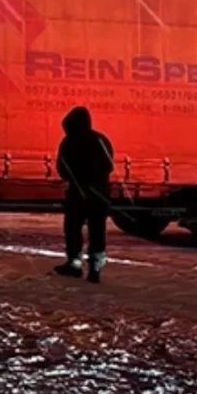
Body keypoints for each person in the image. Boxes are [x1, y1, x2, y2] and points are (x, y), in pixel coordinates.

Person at [54, 106, 115, 283]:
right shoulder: (101, 140)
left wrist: (77, 178)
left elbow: (62, 168)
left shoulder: (69, 142)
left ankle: (74, 264)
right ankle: (95, 269)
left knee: (73, 229)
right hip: (100, 194)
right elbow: (109, 166)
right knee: (97, 232)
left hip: (77, 195)